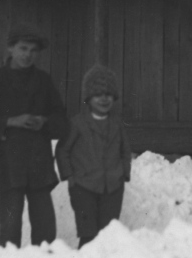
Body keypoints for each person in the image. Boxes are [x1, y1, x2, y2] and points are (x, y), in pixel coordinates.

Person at [0, 25, 69, 247]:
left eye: (33, 50)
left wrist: (44, 123)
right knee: (9, 229)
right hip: (8, 165)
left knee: (45, 229)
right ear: (10, 48)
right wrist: (11, 121)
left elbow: (61, 122)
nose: (28, 55)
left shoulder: (44, 81)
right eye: (23, 48)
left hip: (39, 165)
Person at [56, 64, 133, 248]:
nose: (104, 99)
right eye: (98, 94)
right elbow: (62, 150)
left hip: (112, 187)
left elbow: (125, 150)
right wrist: (70, 177)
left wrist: (123, 173)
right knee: (88, 234)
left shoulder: (117, 124)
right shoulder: (77, 124)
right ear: (88, 98)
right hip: (84, 188)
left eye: (108, 94)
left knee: (107, 234)